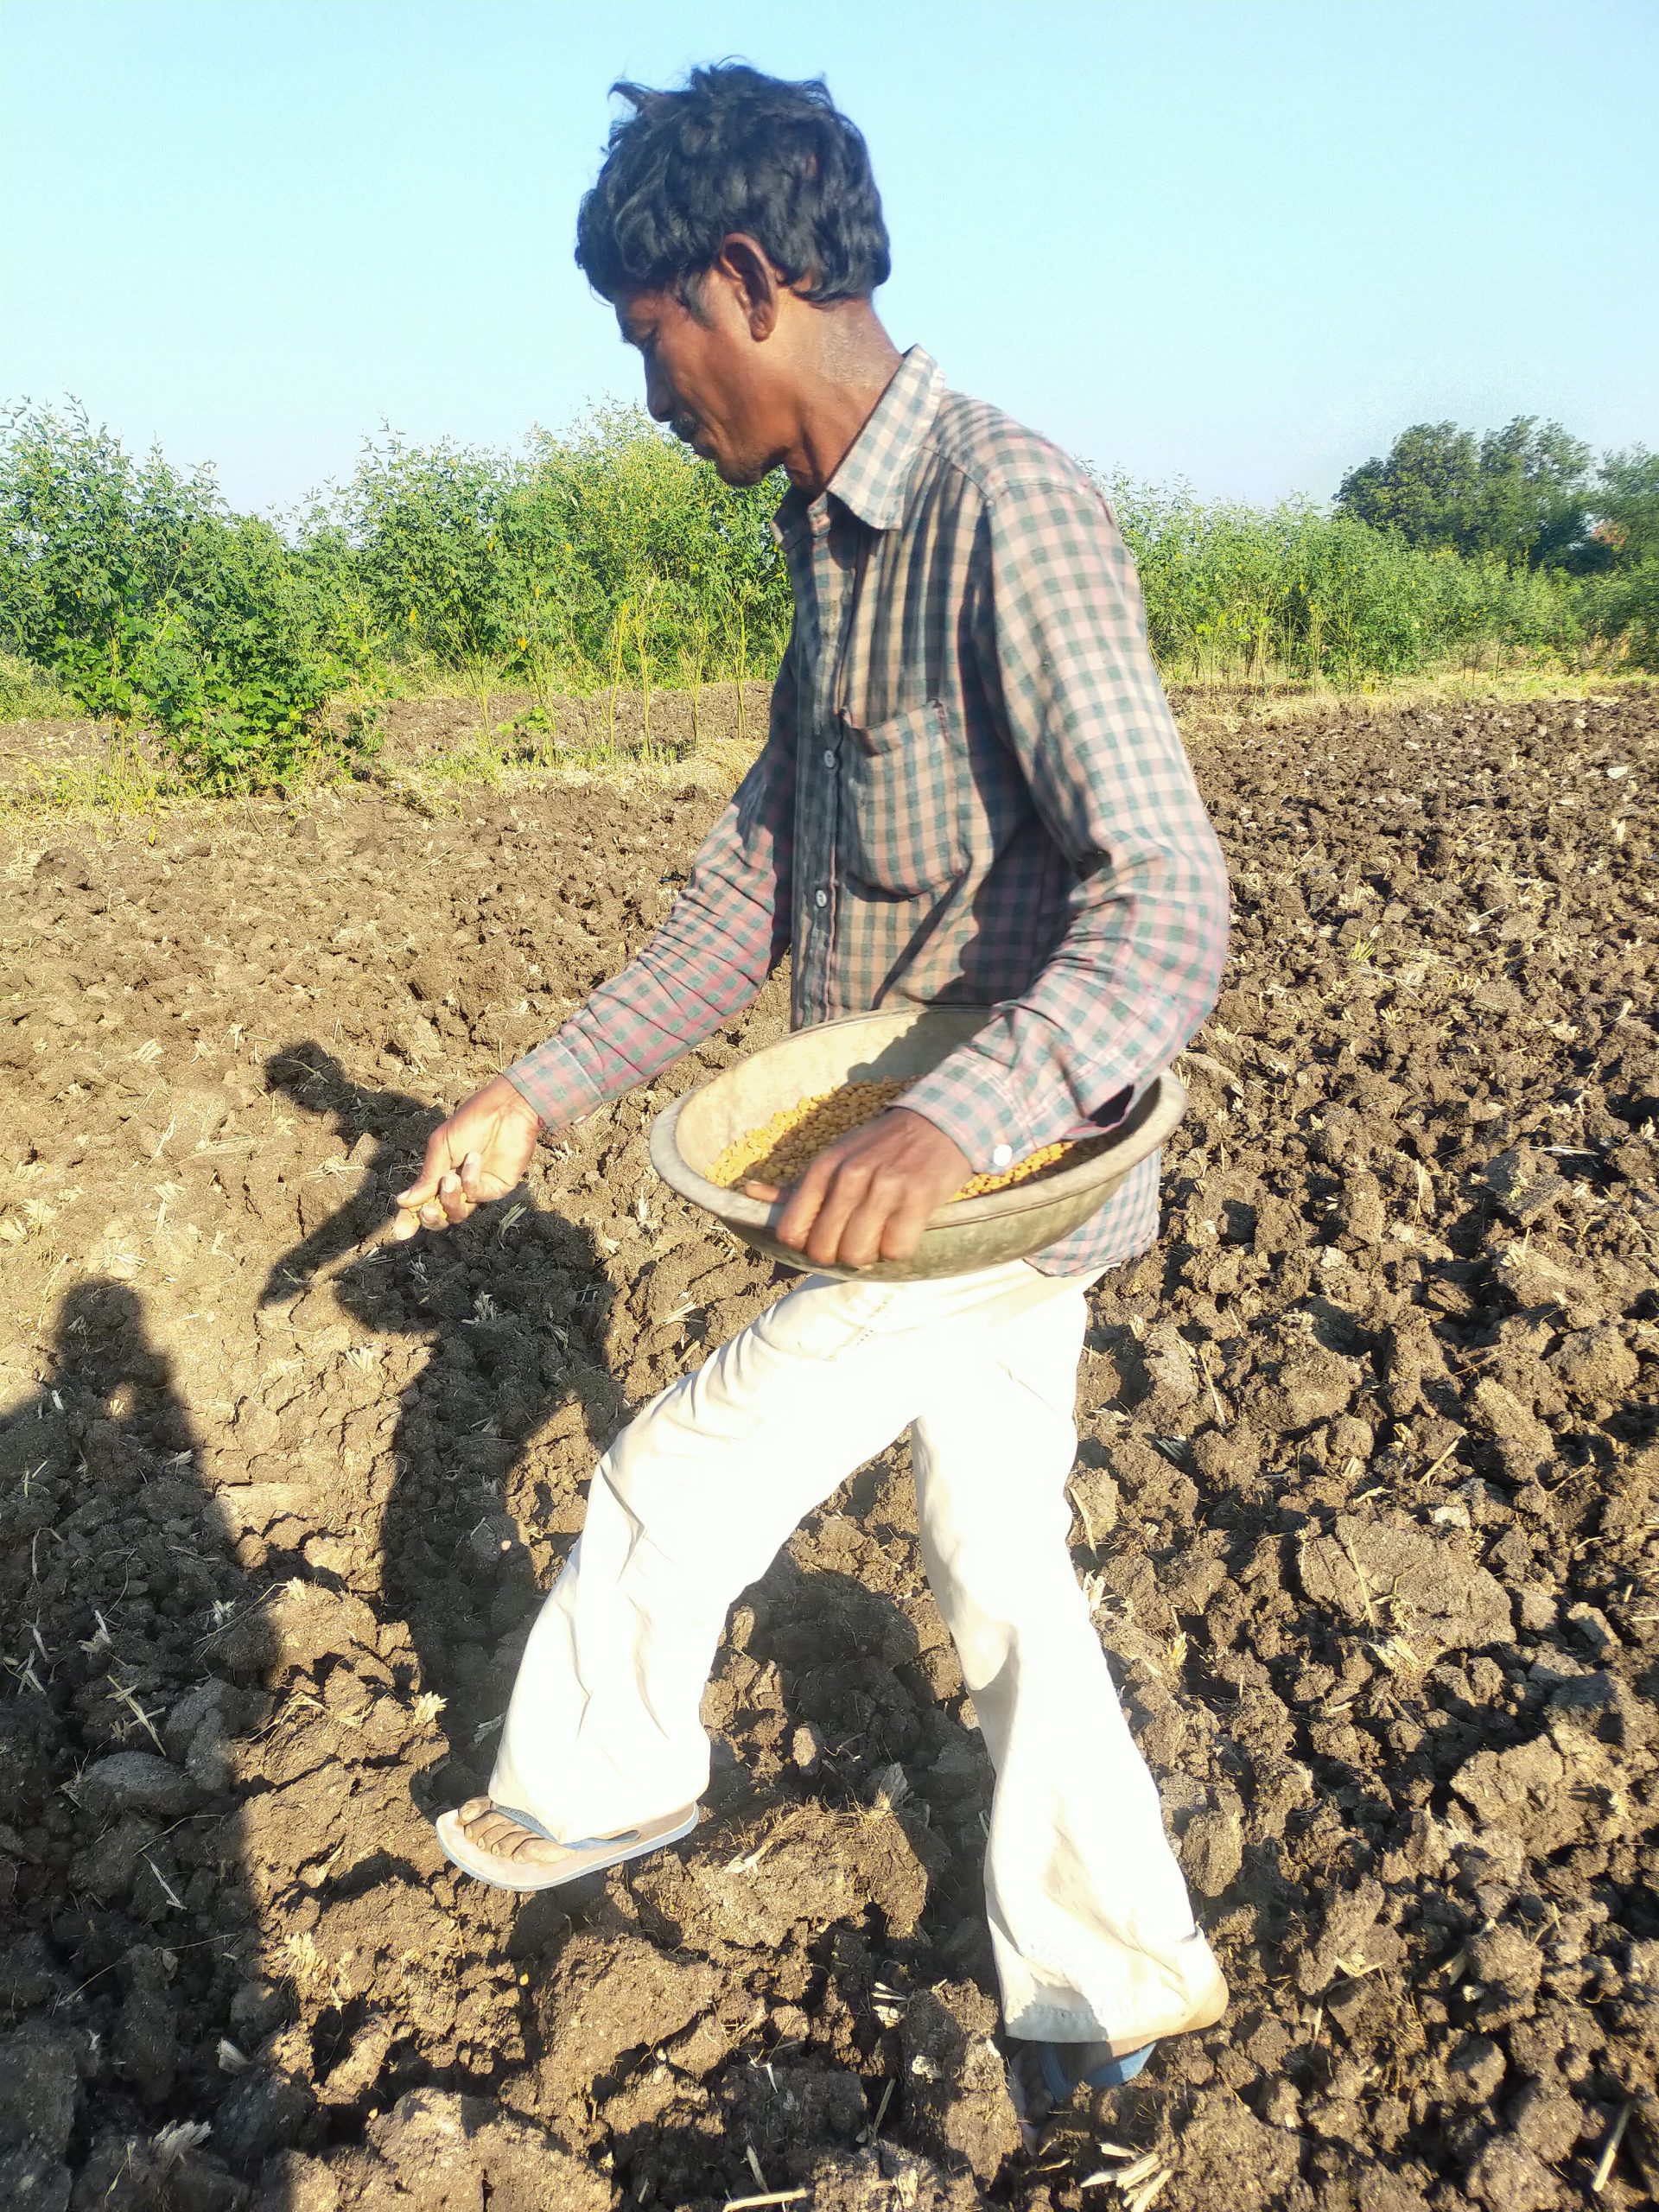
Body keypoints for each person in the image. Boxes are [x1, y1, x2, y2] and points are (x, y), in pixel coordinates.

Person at [391, 63, 1230, 2114]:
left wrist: (953, 1116)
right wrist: (544, 1083)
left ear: (743, 283)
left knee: (676, 1472)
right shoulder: (832, 547)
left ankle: (595, 1786)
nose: (649, 384)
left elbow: (1171, 898)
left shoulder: (1002, 508)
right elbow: (750, 890)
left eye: (650, 332)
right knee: (1005, 1560)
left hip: (991, 1168)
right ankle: (1104, 1997)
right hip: (912, 1155)